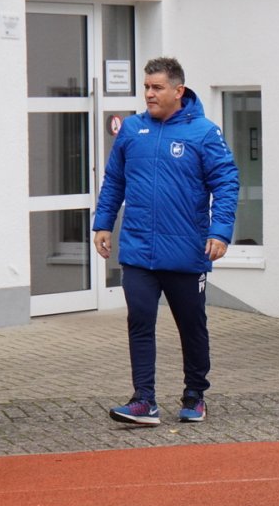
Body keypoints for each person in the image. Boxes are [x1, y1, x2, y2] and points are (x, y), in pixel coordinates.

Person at [93, 57, 239, 426]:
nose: (149, 94)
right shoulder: (132, 130)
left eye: (157, 87)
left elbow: (226, 183)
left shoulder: (204, 133)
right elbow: (114, 181)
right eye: (146, 87)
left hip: (187, 252)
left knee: (192, 326)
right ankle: (144, 400)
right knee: (140, 322)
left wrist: (220, 232)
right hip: (139, 251)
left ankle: (194, 394)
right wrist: (103, 224)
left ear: (178, 90)